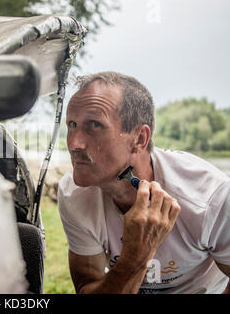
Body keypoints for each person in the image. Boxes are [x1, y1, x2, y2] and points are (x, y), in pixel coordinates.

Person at [57, 71, 230, 294]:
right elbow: (86, 287)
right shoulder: (74, 195)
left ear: (139, 139)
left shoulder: (209, 198)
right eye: (72, 124)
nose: (74, 143)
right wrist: (135, 257)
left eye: (95, 125)